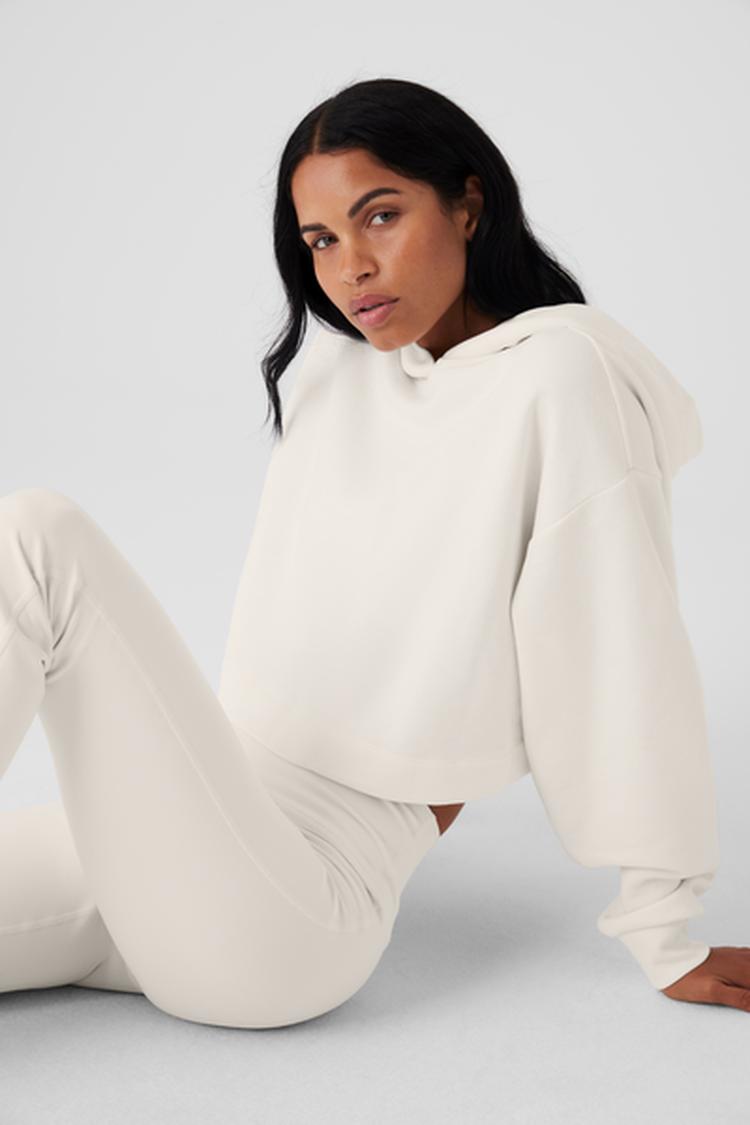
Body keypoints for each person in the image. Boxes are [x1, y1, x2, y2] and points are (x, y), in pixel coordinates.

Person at [1, 78, 747, 1029]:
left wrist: (663, 928)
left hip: (290, 912)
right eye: (319, 240)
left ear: (468, 204)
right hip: (183, 839)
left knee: (36, 539)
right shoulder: (341, 374)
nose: (350, 268)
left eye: (380, 217)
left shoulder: (561, 378)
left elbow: (619, 653)